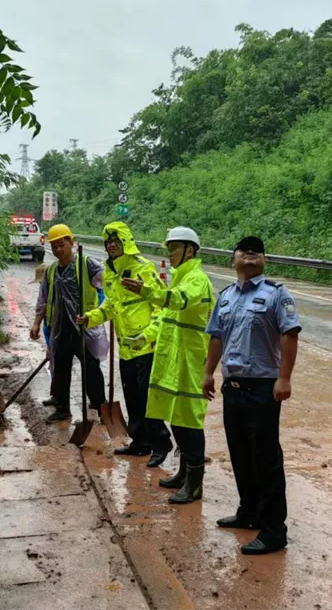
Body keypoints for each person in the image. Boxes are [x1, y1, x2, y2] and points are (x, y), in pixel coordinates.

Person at [203, 236, 301, 556]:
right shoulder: (226, 296)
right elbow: (216, 337)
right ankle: (249, 513)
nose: (250, 253)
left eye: (256, 251)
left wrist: (284, 378)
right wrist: (208, 372)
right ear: (233, 259)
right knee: (240, 453)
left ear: (263, 260)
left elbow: (289, 335)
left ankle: (274, 531)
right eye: (244, 250)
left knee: (266, 459)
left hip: (262, 388)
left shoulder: (276, 294)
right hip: (232, 387)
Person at [121, 226, 214, 504]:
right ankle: (184, 474)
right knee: (177, 420)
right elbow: (164, 320)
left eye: (174, 248)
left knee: (189, 422)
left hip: (190, 364)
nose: (170, 253)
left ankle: (195, 484)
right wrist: (143, 338)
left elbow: (177, 301)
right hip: (174, 363)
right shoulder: (180, 278)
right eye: (169, 248)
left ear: (190, 250)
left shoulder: (197, 280)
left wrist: (147, 291)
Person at [77, 222, 173, 467]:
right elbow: (111, 306)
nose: (111, 245)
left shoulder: (142, 267)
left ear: (126, 242)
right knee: (132, 396)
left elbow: (161, 306)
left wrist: (147, 335)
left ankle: (161, 443)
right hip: (127, 347)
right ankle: (140, 442)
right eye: (108, 242)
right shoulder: (110, 272)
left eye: (116, 241)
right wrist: (91, 318)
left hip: (146, 347)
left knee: (148, 398)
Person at [30, 224, 108, 423]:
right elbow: (43, 300)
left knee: (91, 369)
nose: (58, 250)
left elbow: (109, 284)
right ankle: (62, 408)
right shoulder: (51, 271)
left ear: (71, 243)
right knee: (60, 369)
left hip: (84, 327)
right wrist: (37, 323)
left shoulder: (87, 264)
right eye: (54, 246)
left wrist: (105, 310)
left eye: (62, 245)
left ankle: (101, 407)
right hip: (61, 329)